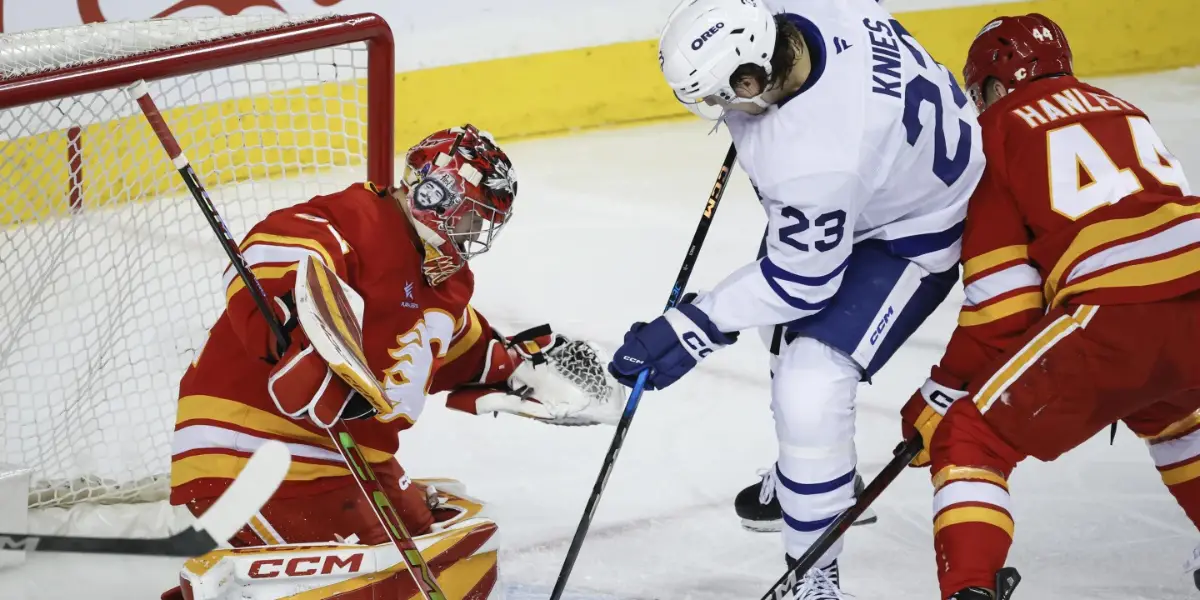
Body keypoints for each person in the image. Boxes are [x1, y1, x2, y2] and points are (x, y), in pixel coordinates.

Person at [608, 0, 983, 596]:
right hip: (884, 181)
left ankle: (813, 576)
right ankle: (815, 477)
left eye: (725, 98)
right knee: (778, 335)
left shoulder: (815, 160)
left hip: (913, 228)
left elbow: (800, 283)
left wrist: (691, 327)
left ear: (752, 80)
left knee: (809, 387)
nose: (721, 113)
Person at [164, 125, 626, 598]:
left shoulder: (446, 283)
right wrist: (296, 331)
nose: (473, 235)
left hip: (349, 458)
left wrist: (513, 365)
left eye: (484, 223)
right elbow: (276, 249)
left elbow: (449, 345)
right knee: (392, 585)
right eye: (471, 217)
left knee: (450, 548)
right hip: (254, 446)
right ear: (435, 195)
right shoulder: (354, 220)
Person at [897, 14, 1200, 599]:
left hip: (1118, 315)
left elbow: (1004, 303)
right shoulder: (1120, 106)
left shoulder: (998, 131)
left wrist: (944, 391)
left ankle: (970, 588)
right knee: (1175, 417)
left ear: (991, 85)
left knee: (970, 438)